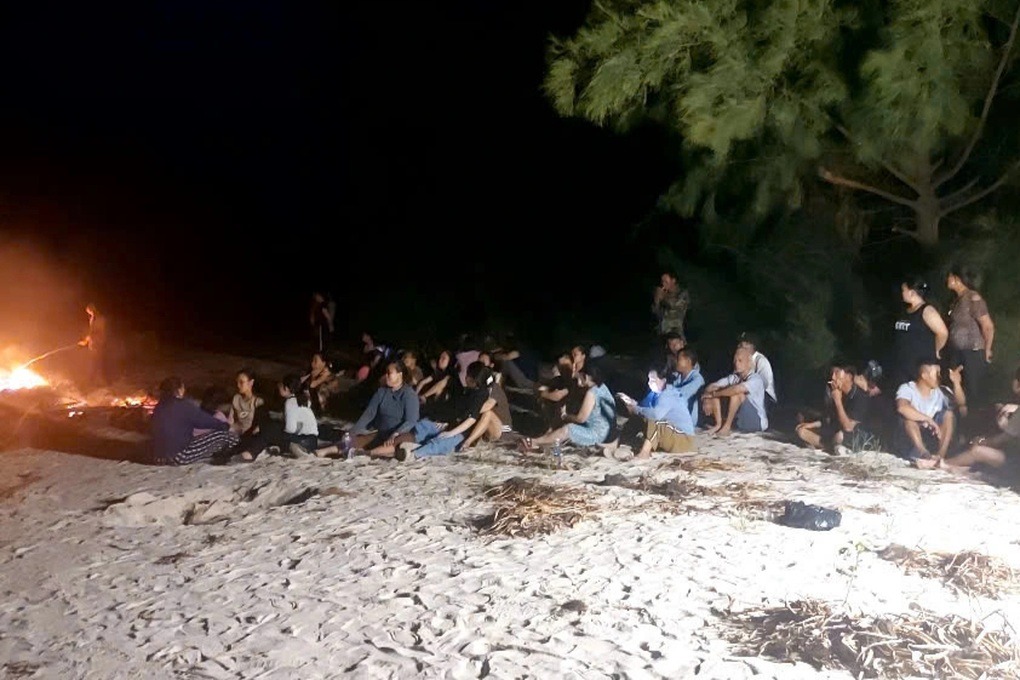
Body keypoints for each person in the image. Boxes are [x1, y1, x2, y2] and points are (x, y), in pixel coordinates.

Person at [922, 366, 1020, 471]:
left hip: (1014, 463)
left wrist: (982, 441)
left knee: (978, 451)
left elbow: (1002, 439)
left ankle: (941, 464)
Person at [395, 362, 495, 460]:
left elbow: (471, 419)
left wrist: (451, 432)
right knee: (423, 426)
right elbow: (456, 410)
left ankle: (413, 454)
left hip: (461, 432)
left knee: (440, 442)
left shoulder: (480, 395)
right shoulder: (468, 390)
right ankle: (405, 442)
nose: (466, 378)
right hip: (450, 424)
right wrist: (446, 421)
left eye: (469, 377)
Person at [325, 361, 418, 458]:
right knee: (354, 440)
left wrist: (395, 433)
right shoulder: (381, 392)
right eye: (386, 373)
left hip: (402, 434)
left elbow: (411, 421)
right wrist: (353, 431)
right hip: (382, 433)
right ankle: (324, 451)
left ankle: (366, 453)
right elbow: (369, 414)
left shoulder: (409, 394)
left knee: (398, 443)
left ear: (400, 374)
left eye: (389, 373)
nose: (386, 376)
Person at [520, 364, 616, 450]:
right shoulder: (603, 387)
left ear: (585, 377)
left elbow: (581, 418)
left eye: (579, 377)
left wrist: (566, 416)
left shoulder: (591, 393)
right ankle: (546, 440)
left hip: (598, 435)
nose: (578, 380)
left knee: (569, 429)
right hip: (608, 433)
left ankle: (536, 442)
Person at [150, 376, 240, 465]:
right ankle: (238, 453)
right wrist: (226, 426)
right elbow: (203, 421)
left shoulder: (158, 407)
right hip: (179, 456)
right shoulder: (182, 405)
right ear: (179, 390)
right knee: (224, 436)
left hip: (159, 457)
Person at [795, 364, 877, 454]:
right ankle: (828, 447)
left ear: (849, 376)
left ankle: (831, 447)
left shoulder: (860, 398)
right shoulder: (838, 392)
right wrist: (810, 425)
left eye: (837, 373)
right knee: (801, 431)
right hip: (836, 432)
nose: (833, 378)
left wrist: (838, 401)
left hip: (856, 434)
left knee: (839, 436)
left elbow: (848, 427)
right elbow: (830, 420)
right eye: (832, 374)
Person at [621, 367, 696, 458]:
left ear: (663, 380)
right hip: (671, 434)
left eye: (653, 380)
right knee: (638, 418)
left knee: (655, 422)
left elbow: (656, 415)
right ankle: (618, 443)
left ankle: (644, 453)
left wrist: (636, 409)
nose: (649, 383)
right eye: (649, 380)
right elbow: (644, 409)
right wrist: (633, 404)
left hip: (684, 440)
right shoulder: (655, 393)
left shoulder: (668, 394)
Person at [946, 266, 994, 408]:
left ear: (957, 279)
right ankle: (961, 417)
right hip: (957, 351)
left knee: (973, 390)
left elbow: (987, 326)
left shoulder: (973, 298)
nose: (947, 280)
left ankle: (976, 417)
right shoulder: (956, 300)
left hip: (973, 351)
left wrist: (987, 349)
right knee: (956, 387)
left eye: (949, 276)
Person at [893, 358, 956, 463]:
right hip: (910, 436)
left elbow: (961, 405)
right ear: (924, 376)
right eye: (936, 374)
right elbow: (902, 407)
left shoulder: (941, 391)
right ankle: (923, 454)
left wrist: (957, 384)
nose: (939, 377)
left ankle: (940, 457)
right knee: (909, 419)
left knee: (948, 415)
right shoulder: (907, 388)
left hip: (932, 435)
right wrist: (928, 419)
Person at [891, 278, 949, 387]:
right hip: (903, 365)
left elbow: (943, 333)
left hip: (919, 365)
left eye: (904, 290)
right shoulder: (905, 311)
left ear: (912, 292)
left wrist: (936, 349)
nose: (902, 293)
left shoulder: (927, 310)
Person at [701, 348, 769, 436]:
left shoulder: (756, 379)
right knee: (717, 391)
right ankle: (718, 425)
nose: (736, 363)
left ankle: (727, 427)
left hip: (757, 422)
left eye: (740, 360)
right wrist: (707, 399)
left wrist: (714, 394)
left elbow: (737, 389)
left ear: (749, 363)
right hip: (742, 419)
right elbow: (712, 386)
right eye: (735, 361)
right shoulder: (734, 378)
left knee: (736, 394)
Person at [228, 368, 268, 462]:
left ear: (251, 383)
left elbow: (261, 426)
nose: (238, 385)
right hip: (238, 434)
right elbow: (230, 420)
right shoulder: (236, 398)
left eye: (241, 382)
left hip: (252, 436)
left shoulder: (258, 401)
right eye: (237, 382)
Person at [279, 374, 319, 456]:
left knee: (274, 432)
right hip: (313, 441)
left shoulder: (290, 402)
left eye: (281, 386)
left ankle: (296, 448)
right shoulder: (302, 399)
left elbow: (290, 429)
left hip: (302, 440)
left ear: (286, 388)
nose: (279, 388)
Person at [78, 302, 112, 389]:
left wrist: (86, 340)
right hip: (94, 344)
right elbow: (92, 332)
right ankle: (94, 381)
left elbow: (97, 332)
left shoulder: (99, 319)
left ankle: (97, 381)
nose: (89, 313)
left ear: (92, 309)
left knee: (96, 362)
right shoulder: (93, 318)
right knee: (94, 362)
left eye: (89, 311)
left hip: (98, 343)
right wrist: (86, 341)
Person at [737, 334, 777, 405]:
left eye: (744, 344)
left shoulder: (761, 360)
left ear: (752, 346)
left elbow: (763, 384)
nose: (739, 346)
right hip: (747, 392)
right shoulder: (741, 360)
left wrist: (745, 387)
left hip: (766, 397)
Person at [651, 271, 690, 337]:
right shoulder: (664, 294)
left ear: (673, 280)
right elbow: (657, 314)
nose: (663, 284)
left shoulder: (683, 293)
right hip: (662, 332)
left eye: (666, 281)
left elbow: (675, 307)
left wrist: (664, 297)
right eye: (662, 281)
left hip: (676, 332)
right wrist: (656, 300)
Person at [673, 347, 705, 426]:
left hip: (689, 419)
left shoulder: (697, 379)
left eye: (678, 359)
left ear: (688, 361)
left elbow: (681, 395)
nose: (675, 361)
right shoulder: (676, 377)